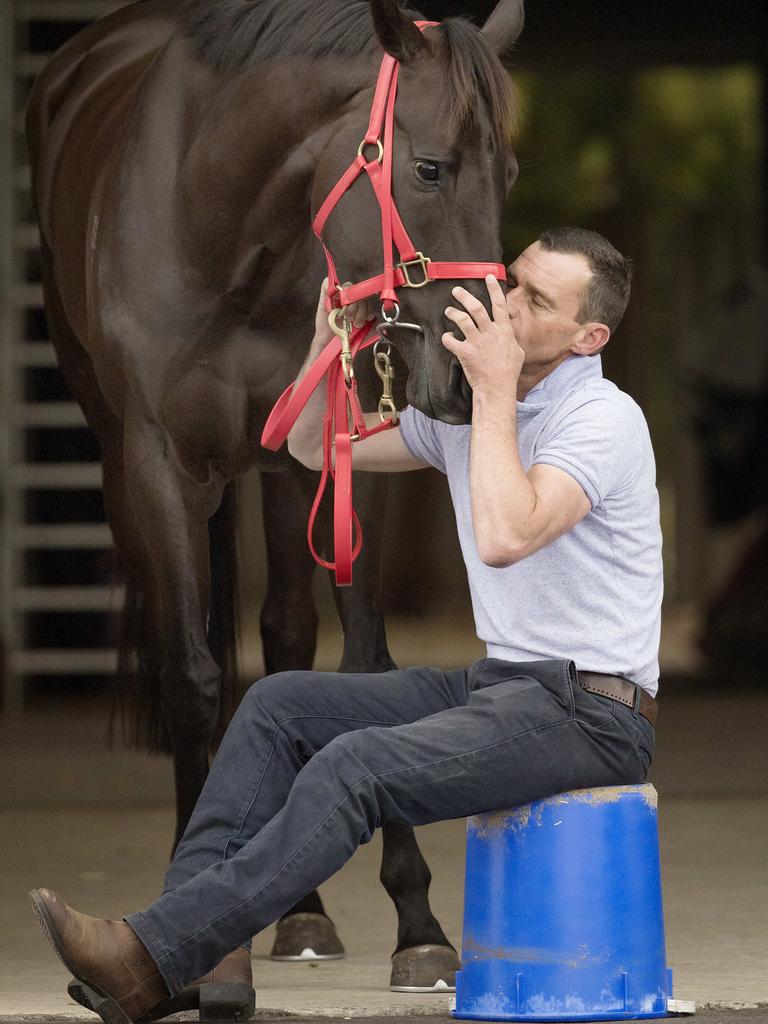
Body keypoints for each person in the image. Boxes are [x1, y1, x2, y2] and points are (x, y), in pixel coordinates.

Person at [30, 227, 662, 1024]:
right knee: (279, 705)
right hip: (503, 684)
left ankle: (149, 953)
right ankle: (197, 955)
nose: (504, 302)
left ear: (587, 337)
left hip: (592, 711)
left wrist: (494, 392)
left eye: (536, 300)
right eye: (512, 280)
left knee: (354, 766)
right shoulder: (472, 416)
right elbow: (309, 446)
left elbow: (507, 535)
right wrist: (330, 344)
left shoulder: (604, 420)